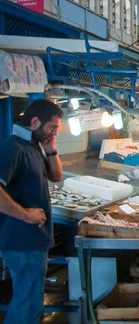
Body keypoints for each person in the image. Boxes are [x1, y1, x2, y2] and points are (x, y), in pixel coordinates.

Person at [0, 99, 64, 323]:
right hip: (22, 242)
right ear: (35, 121)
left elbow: (56, 177)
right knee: (27, 305)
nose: (54, 132)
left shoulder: (34, 145)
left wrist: (50, 148)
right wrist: (26, 215)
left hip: (34, 241)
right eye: (52, 127)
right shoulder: (13, 148)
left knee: (31, 302)